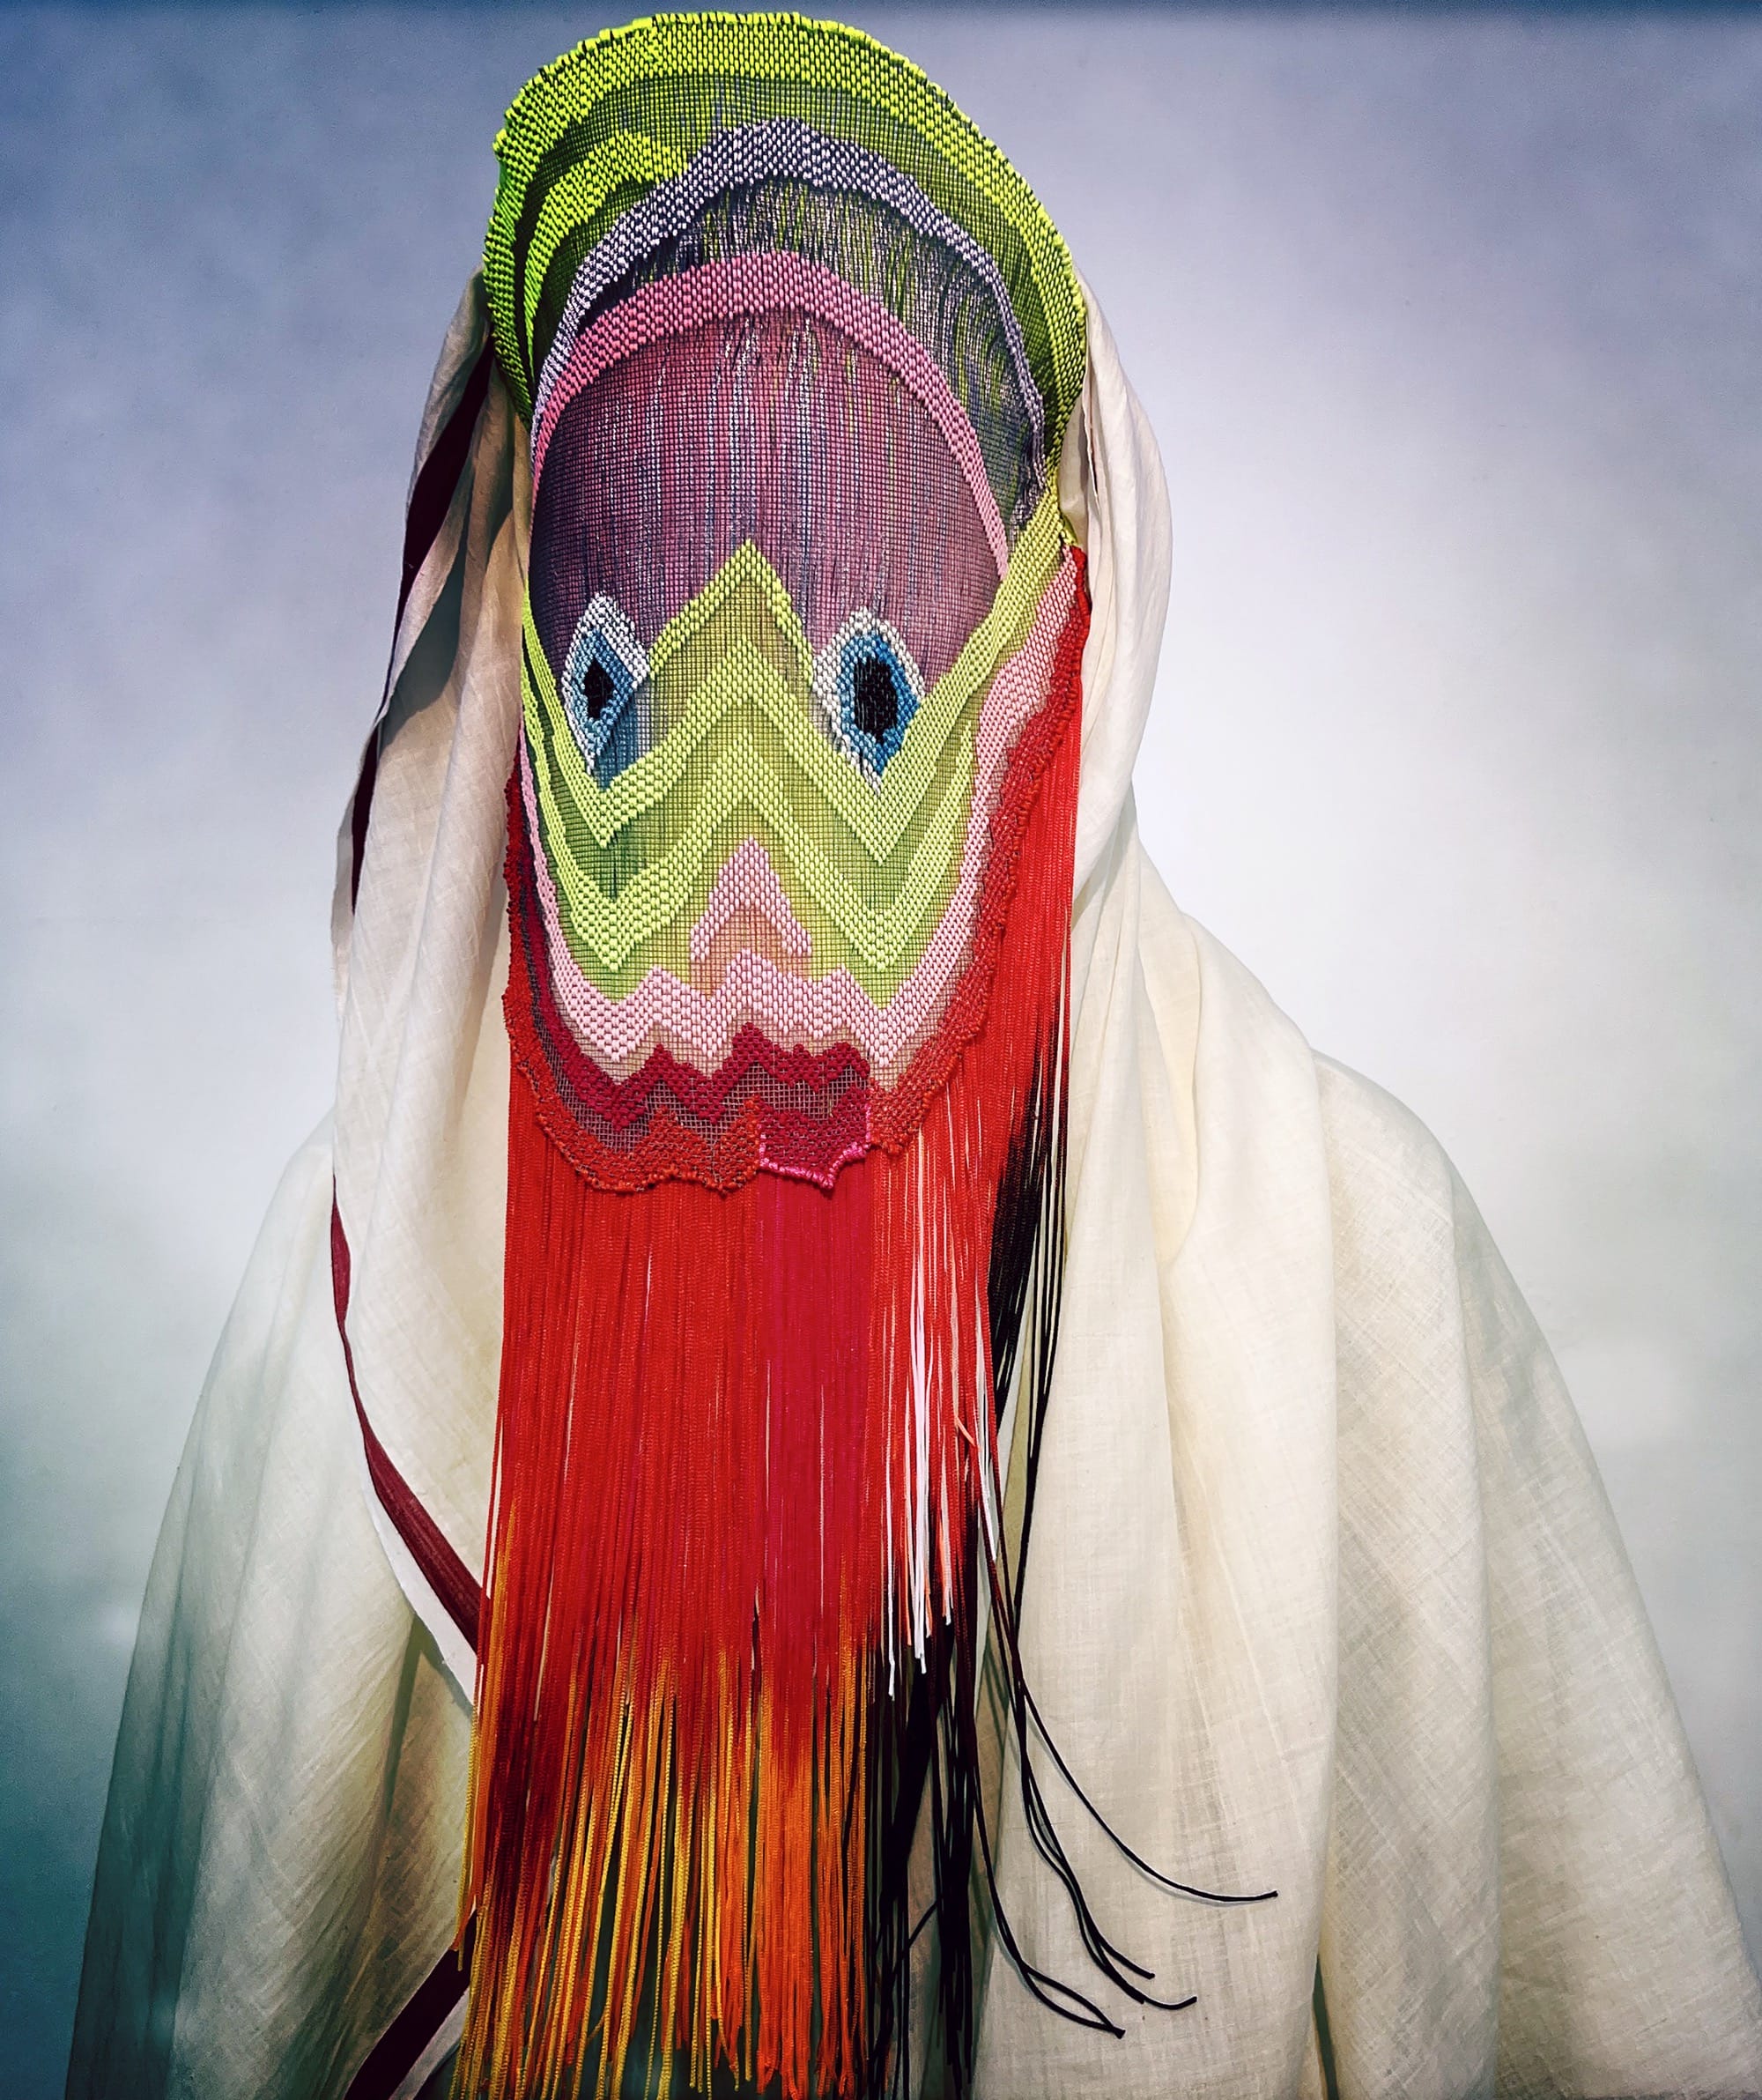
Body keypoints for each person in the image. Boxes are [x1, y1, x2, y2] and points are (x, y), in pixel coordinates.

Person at [66, 17, 1762, 2100]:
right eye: (627, 683)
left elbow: (1592, 2009)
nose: (743, 881)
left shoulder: (1333, 1255)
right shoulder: (365, 1285)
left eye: (864, 683)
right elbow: (240, 1978)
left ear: (1069, 643)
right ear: (520, 643)